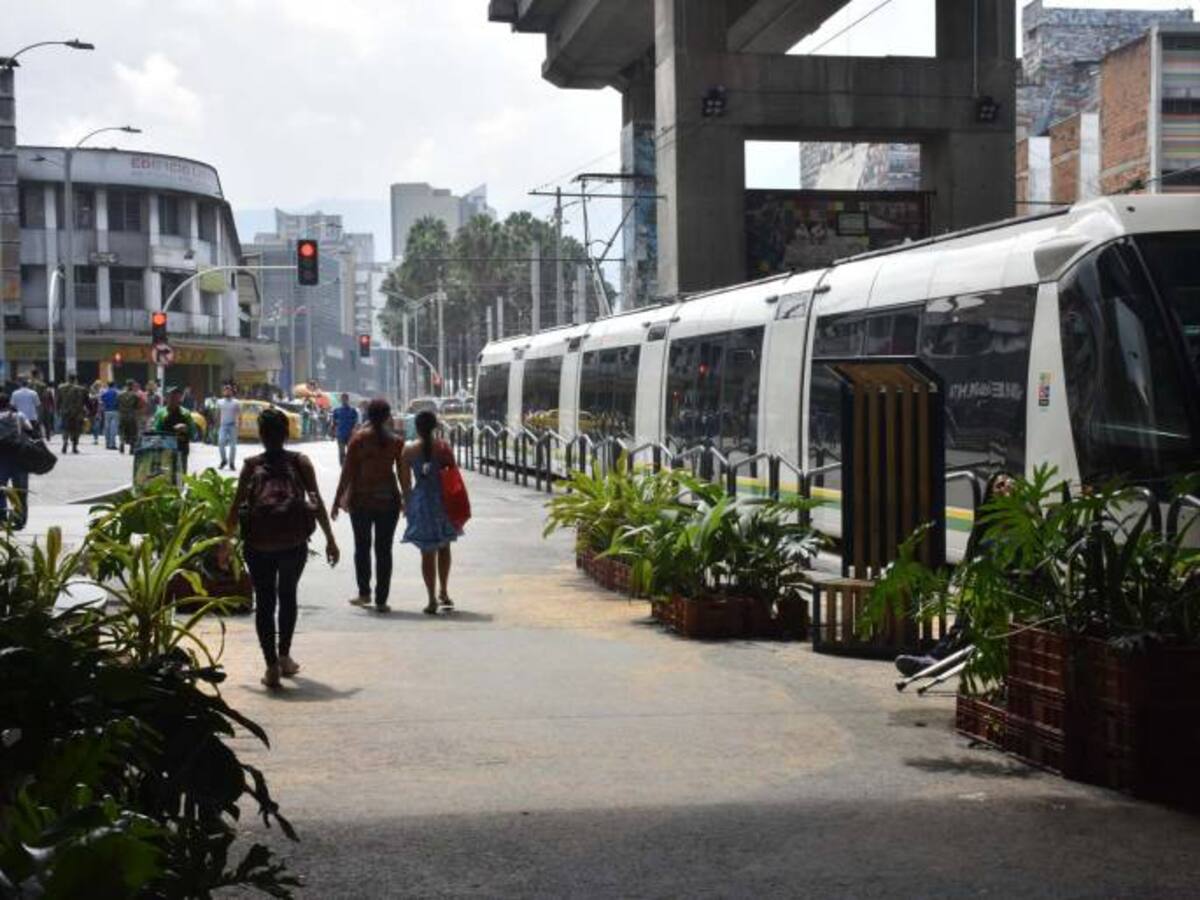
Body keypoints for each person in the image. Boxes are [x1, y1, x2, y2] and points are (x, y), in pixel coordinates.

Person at [222, 408, 339, 689]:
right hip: (293, 542)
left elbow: (237, 507)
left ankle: (271, 666)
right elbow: (316, 501)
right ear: (286, 434)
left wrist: (224, 543)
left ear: (261, 435)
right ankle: (285, 656)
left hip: (258, 543)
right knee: (288, 596)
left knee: (265, 602)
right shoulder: (300, 462)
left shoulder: (251, 465)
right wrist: (330, 540)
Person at [893, 473, 1017, 677]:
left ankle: (942, 656)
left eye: (1009, 484)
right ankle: (942, 655)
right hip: (986, 589)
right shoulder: (984, 529)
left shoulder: (1026, 525)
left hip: (1012, 590)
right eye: (999, 485)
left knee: (976, 601)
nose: (1005, 489)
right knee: (970, 598)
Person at [333, 399, 404, 612]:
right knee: (384, 550)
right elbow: (402, 475)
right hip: (388, 500)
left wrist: (337, 500)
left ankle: (364, 593)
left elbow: (347, 472)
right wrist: (406, 500)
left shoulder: (359, 439)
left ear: (367, 415)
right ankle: (382, 599)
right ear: (387, 416)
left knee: (362, 547)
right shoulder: (396, 442)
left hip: (361, 500)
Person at [400, 410, 460, 615]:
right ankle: (444, 591)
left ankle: (431, 599)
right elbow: (453, 475)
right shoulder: (443, 447)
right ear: (435, 426)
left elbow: (406, 484)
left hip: (422, 502)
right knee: (444, 547)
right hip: (443, 501)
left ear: (416, 427)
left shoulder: (408, 450)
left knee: (427, 552)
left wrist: (407, 506)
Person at [0, 392, 34, 530]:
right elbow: (30, 429)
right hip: (20, 457)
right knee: (20, 490)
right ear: (9, 403)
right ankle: (20, 520)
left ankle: (2, 517)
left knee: (1, 489)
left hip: (1, 458)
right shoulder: (19, 415)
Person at [152, 386, 200, 472]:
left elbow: (194, 434)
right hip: (165, 449)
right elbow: (155, 431)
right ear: (166, 398)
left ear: (180, 398)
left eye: (176, 396)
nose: (174, 399)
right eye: (171, 396)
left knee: (181, 475)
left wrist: (186, 428)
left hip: (181, 449)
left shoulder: (185, 413)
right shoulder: (161, 413)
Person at [57, 373, 88, 454]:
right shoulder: (81, 389)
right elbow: (86, 401)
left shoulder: (61, 388)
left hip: (65, 412)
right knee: (76, 430)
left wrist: (57, 410)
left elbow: (58, 401)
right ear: (75, 380)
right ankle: (74, 447)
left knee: (65, 428)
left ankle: (65, 442)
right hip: (77, 413)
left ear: (67, 378)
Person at [216, 383, 241, 470]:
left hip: (232, 425)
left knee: (233, 446)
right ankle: (224, 460)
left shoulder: (236, 402)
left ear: (231, 391)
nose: (227, 391)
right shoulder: (219, 402)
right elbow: (218, 414)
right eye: (225, 390)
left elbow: (239, 415)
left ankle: (231, 463)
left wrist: (239, 425)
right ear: (223, 392)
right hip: (223, 425)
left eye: (229, 390)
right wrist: (216, 425)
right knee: (220, 442)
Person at [331, 392, 358, 466]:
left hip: (350, 435)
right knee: (341, 452)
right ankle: (342, 466)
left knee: (351, 451)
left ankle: (350, 466)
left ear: (348, 399)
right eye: (343, 398)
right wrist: (333, 434)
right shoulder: (336, 410)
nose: (344, 400)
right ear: (341, 400)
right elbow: (334, 423)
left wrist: (355, 431)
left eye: (345, 398)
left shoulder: (353, 410)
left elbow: (356, 423)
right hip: (340, 435)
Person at [117, 380, 143, 454]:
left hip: (122, 415)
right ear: (132, 386)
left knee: (122, 430)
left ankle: (122, 443)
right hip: (131, 416)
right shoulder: (135, 395)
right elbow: (138, 406)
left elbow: (117, 405)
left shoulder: (120, 395)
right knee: (132, 432)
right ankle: (131, 448)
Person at [100, 381, 120, 450]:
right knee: (113, 429)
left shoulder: (104, 393)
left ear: (108, 385)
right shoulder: (116, 392)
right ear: (114, 385)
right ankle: (112, 444)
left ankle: (107, 444)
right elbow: (119, 401)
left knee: (107, 428)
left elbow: (101, 401)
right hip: (115, 411)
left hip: (106, 411)